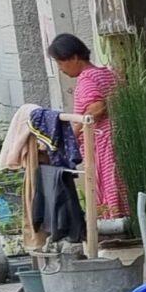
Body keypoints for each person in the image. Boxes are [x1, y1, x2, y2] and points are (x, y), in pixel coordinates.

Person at [48, 33, 124, 217]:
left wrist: (73, 134)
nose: (61, 69)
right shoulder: (106, 73)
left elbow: (97, 107)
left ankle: (116, 225)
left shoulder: (87, 79)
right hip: (118, 139)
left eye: (61, 63)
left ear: (74, 57)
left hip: (103, 144)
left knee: (110, 188)